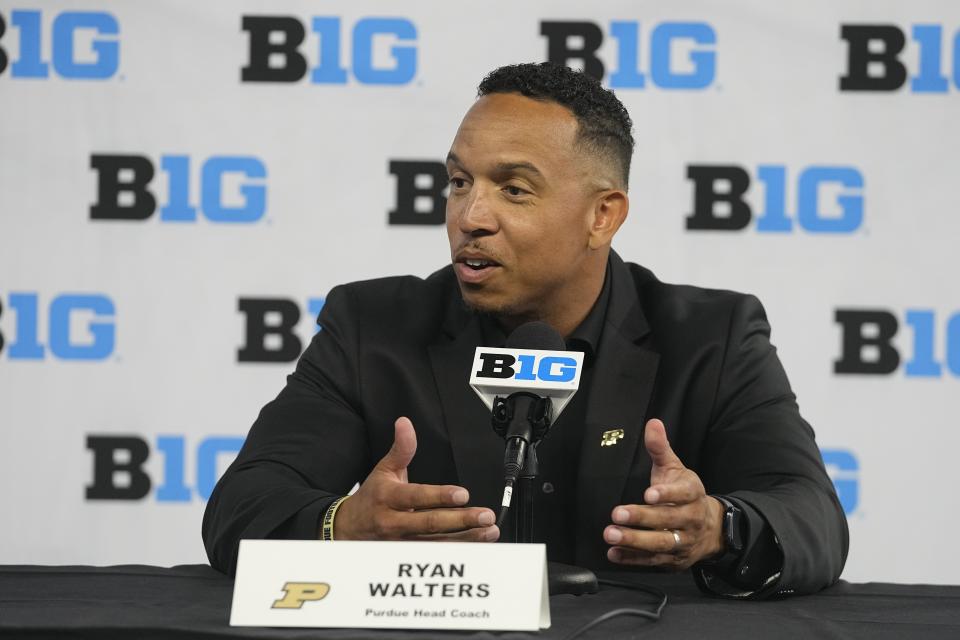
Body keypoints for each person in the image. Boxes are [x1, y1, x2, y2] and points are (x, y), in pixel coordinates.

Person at [203, 62, 848, 598]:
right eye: (459, 182)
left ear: (602, 215)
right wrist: (343, 525)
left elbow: (812, 517)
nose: (469, 216)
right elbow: (243, 505)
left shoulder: (712, 337)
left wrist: (717, 527)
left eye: (513, 189)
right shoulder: (371, 329)